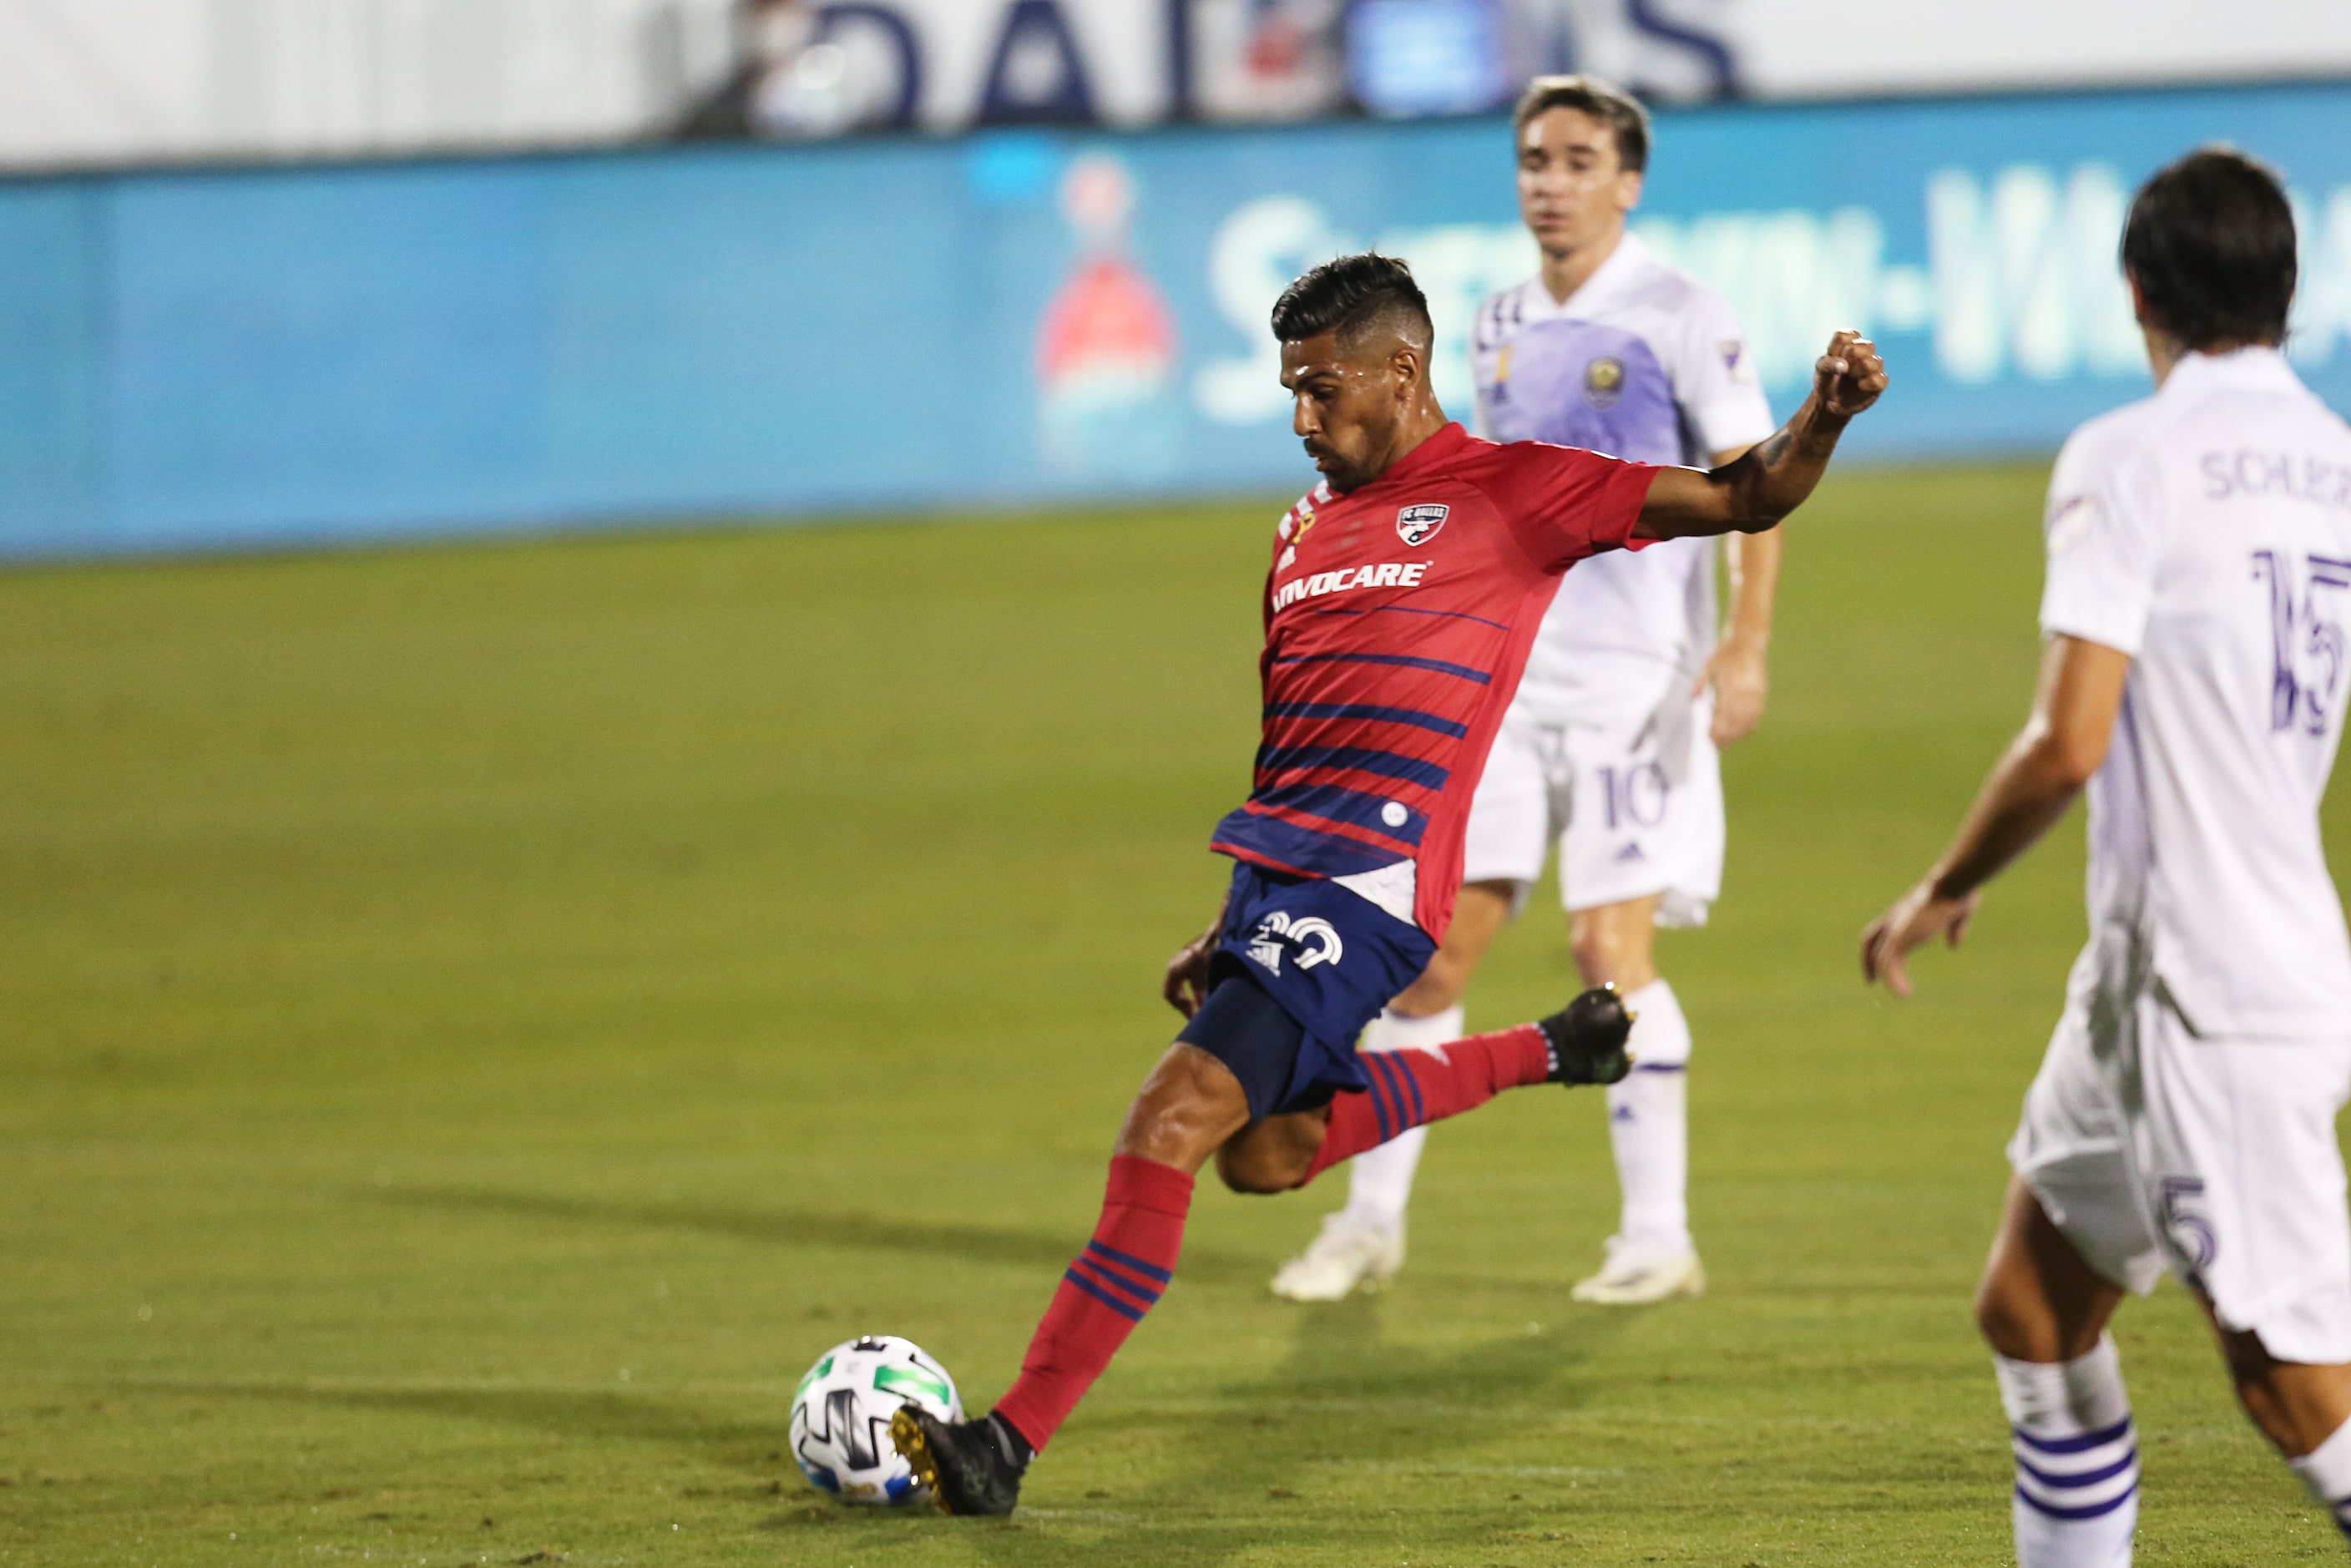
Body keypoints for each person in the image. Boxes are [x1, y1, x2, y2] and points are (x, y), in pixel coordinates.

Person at [894, 251, 1887, 1516]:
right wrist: (1231, 910)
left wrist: (1827, 417)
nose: (1301, 419)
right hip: (1278, 875)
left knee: (1170, 1119)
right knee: (1268, 1153)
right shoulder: (1301, 528)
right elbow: (1287, 723)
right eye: (1290, 394)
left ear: (1401, 373)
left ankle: (1008, 1441)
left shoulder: (1519, 493)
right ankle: (1551, 1051)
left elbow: (1747, 495)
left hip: (1372, 879)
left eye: (1321, 391)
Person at [1861, 147, 2351, 1565]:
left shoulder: (2129, 456)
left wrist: (1946, 882)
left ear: (2137, 287)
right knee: (2032, 1306)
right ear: (2286, 289)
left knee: (2291, 1379)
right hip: (2168, 972)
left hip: (2212, 991)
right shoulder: (2332, 462)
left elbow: (2070, 740)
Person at [1271, 73, 1777, 1308]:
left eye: (1575, 160)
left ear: (1628, 179)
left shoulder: (1680, 313)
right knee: (1430, 957)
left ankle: (1658, 1231)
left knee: (1608, 943)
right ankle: (1369, 1221)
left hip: (1637, 682)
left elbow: (1753, 484)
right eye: (1533, 160)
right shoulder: (1492, 321)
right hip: (1500, 684)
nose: (1549, 182)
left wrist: (1746, 640)